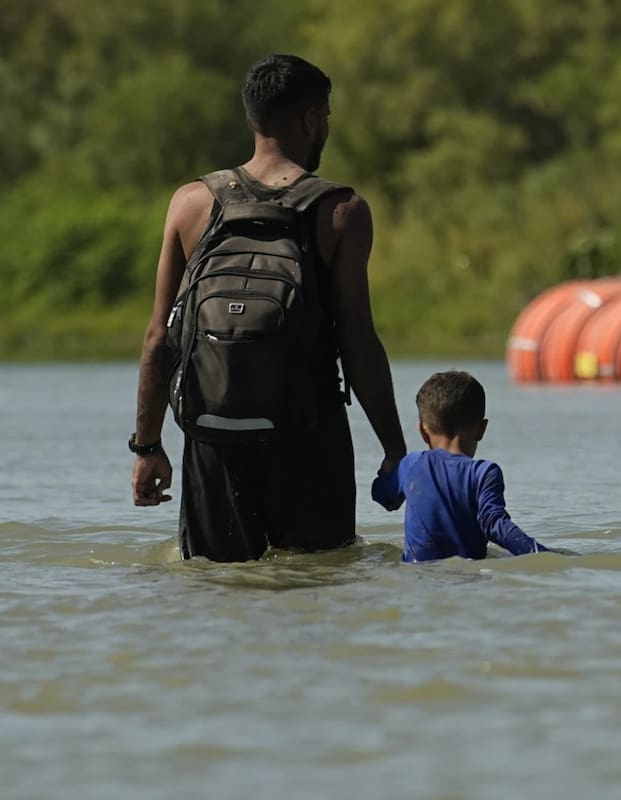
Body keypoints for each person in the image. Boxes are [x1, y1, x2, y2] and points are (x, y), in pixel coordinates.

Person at [130, 54, 407, 561]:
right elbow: (357, 340)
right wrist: (394, 449)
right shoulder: (341, 211)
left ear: (251, 118)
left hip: (213, 437)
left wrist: (148, 447)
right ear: (311, 119)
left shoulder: (191, 202)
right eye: (325, 116)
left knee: (216, 585)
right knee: (317, 576)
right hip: (309, 438)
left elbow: (158, 337)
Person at [373, 370, 558, 562]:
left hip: (417, 577)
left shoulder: (411, 464)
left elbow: (384, 497)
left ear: (423, 431)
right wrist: (543, 554)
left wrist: (389, 466)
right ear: (481, 429)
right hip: (468, 579)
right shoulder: (484, 473)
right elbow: (494, 524)